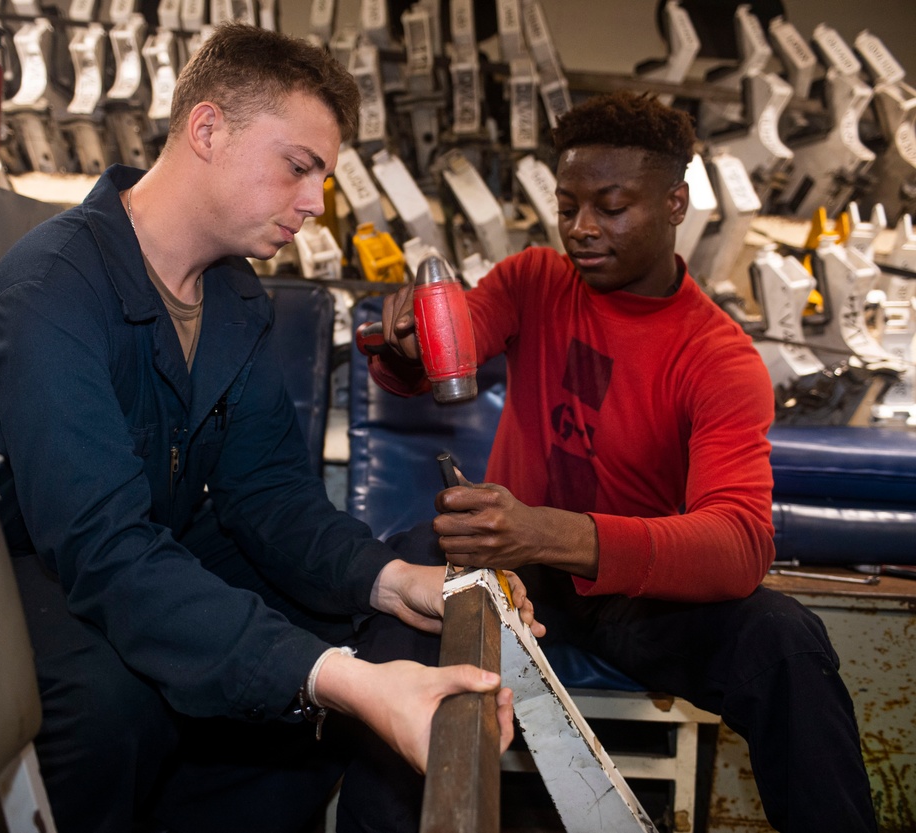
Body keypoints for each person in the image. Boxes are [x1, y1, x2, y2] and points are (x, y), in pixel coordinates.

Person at [0, 22, 543, 833]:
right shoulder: (50, 296)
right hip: (37, 571)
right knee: (111, 701)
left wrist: (394, 578)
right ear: (207, 129)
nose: (313, 202)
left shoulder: (231, 294)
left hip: (151, 544)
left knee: (371, 623)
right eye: (298, 167)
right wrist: (333, 677)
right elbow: (107, 551)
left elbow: (269, 492)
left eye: (323, 177)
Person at [368, 91, 877, 833]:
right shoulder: (534, 279)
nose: (580, 228)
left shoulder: (718, 357)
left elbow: (739, 543)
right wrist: (411, 340)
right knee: (397, 577)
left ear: (675, 203)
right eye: (568, 203)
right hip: (516, 576)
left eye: (610, 206)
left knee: (784, 638)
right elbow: (458, 337)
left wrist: (545, 531)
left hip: (628, 598)